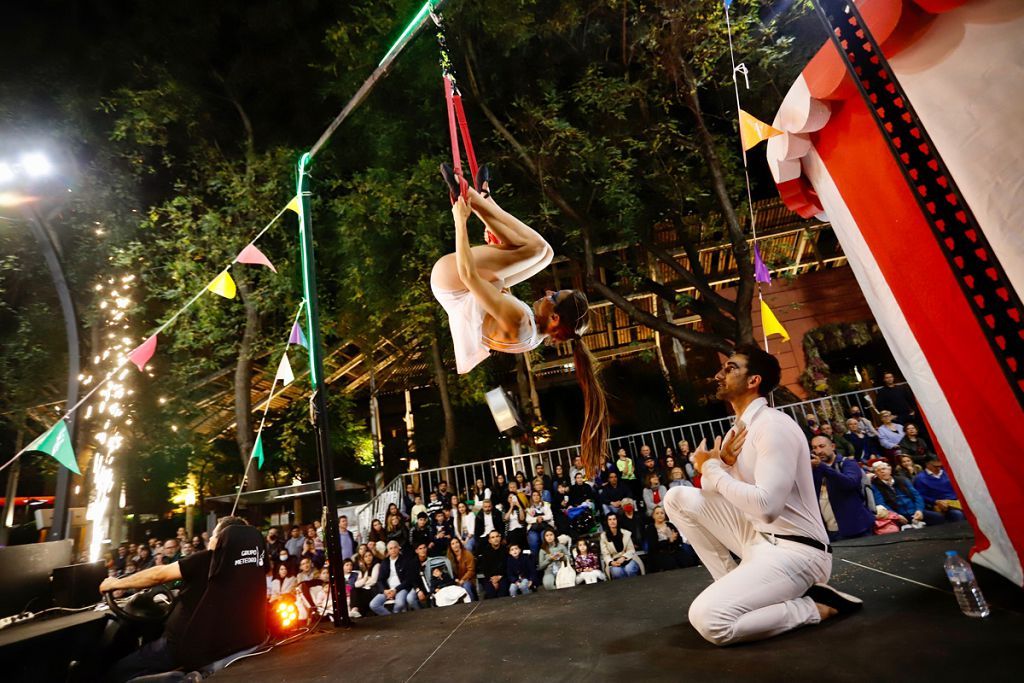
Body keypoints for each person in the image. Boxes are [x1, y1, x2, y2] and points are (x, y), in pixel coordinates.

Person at [663, 344, 861, 647]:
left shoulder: (773, 426)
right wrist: (722, 468)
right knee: (676, 498)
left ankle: (811, 607)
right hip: (757, 539)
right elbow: (712, 493)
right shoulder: (735, 433)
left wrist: (713, 468)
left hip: (797, 553)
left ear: (753, 380)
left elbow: (767, 506)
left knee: (710, 621)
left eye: (730, 368)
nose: (719, 374)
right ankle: (731, 583)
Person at [431, 181, 608, 475]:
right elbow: (498, 288)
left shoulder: (521, 321)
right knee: (544, 255)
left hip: (453, 282)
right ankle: (484, 201)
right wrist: (496, 241)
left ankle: (479, 200)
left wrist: (459, 221)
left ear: (555, 319)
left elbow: (468, 274)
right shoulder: (531, 333)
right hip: (461, 289)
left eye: (553, 297)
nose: (547, 292)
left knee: (537, 249)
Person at [99, 516, 265, 682]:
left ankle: (176, 679)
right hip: (227, 643)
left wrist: (117, 583)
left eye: (213, 536)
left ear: (221, 538)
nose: (210, 540)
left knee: (118, 672)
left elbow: (158, 575)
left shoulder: (208, 559)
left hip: (184, 645)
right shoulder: (254, 565)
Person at [810, 435, 875, 541]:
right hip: (830, 531)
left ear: (833, 446)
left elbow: (850, 483)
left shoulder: (847, 463)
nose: (818, 451)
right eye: (815, 448)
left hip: (856, 528)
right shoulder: (815, 469)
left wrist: (822, 467)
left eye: (822, 446)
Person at [870, 459, 935, 528]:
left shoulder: (902, 480)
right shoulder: (875, 486)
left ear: (890, 469)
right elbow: (882, 504)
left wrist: (919, 510)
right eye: (878, 470)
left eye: (883, 469)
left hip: (915, 511)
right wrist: (896, 516)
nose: (882, 471)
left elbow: (917, 496)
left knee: (938, 517)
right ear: (876, 474)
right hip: (898, 515)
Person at [644, 506, 699, 572]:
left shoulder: (670, 525)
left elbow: (679, 540)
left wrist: (675, 539)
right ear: (653, 516)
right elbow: (653, 546)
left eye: (662, 513)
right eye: (657, 513)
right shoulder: (651, 528)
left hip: (674, 550)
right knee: (671, 563)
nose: (660, 515)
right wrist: (669, 540)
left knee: (688, 560)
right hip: (660, 553)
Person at [369, 541, 417, 616]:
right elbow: (380, 580)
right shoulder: (385, 562)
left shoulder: (406, 560)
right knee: (373, 604)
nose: (393, 550)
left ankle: (394, 617)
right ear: (388, 550)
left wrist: (396, 590)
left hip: (401, 588)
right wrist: (384, 590)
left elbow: (408, 580)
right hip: (388, 589)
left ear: (399, 548)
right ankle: (391, 617)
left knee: (400, 604)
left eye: (395, 547)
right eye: (391, 548)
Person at [912, 456, 966, 523]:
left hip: (957, 501)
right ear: (927, 464)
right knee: (957, 514)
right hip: (939, 504)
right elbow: (920, 496)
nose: (939, 468)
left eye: (940, 466)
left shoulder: (947, 472)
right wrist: (935, 501)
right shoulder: (920, 478)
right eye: (936, 466)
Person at [599, 512, 641, 580]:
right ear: (607, 522)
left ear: (617, 520)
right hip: (614, 561)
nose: (612, 521)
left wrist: (623, 557)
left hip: (628, 558)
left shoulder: (626, 533)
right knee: (617, 572)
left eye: (614, 519)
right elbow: (605, 554)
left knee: (629, 569)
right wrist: (611, 562)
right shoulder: (603, 536)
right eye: (610, 519)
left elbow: (631, 550)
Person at [477, 530, 510, 599]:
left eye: (497, 536)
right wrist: (493, 580)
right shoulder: (485, 552)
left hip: (503, 576)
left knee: (503, 592)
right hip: (490, 578)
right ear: (489, 540)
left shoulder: (506, 550)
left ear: (500, 538)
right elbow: (485, 568)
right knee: (490, 593)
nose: (495, 539)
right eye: (493, 537)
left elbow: (507, 566)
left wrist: (499, 577)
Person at [525, 490, 554, 556]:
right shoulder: (529, 507)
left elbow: (550, 515)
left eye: (537, 495)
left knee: (544, 538)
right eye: (534, 495)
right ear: (531, 497)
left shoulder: (545, 505)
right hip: (533, 528)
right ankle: (536, 561)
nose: (536, 497)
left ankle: (549, 557)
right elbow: (528, 519)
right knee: (534, 541)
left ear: (540, 497)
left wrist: (542, 518)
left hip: (545, 526)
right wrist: (536, 519)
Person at [448, 537, 477, 601]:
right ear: (450, 546)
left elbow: (471, 571)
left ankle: (470, 604)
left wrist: (463, 580)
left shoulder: (467, 554)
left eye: (457, 542)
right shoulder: (449, 557)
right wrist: (456, 580)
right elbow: (449, 571)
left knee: (465, 586)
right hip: (456, 581)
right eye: (452, 544)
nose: (455, 545)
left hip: (468, 579)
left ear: (460, 544)